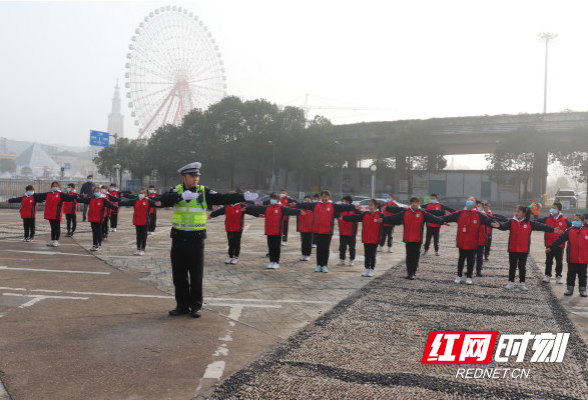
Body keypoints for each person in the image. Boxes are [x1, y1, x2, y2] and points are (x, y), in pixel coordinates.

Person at [158, 162, 258, 318]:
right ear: (184, 177)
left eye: (197, 176)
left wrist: (243, 196)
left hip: (196, 238)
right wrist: (181, 196)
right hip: (178, 237)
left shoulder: (204, 191)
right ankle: (182, 305)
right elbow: (162, 200)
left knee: (196, 274)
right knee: (179, 275)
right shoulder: (176, 190)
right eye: (192, 176)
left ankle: (195, 306)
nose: (196, 179)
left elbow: (223, 197)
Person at [491, 205, 560, 290]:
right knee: (512, 266)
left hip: (523, 249)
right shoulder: (512, 222)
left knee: (522, 267)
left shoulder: (529, 223)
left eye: (518, 212)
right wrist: (499, 226)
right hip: (512, 249)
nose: (516, 213)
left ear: (524, 213)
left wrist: (552, 229)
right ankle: (510, 282)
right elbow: (504, 226)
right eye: (515, 211)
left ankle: (522, 283)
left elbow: (541, 226)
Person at [383, 197, 445, 279]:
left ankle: (413, 272)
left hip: (417, 239)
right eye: (413, 202)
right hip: (408, 238)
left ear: (419, 204)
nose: (414, 204)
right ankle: (409, 273)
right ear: (410, 204)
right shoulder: (405, 212)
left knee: (415, 256)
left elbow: (433, 218)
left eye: (416, 202)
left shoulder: (422, 213)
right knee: (409, 256)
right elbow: (393, 217)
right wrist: (383, 219)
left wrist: (443, 221)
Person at [296, 190, 357, 273]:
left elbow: (344, 207)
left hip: (327, 231)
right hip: (317, 231)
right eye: (323, 196)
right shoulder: (316, 205)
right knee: (319, 249)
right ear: (321, 197)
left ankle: (324, 265)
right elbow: (305, 205)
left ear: (329, 198)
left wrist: (353, 207)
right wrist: (296, 204)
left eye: (326, 197)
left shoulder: (332, 206)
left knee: (325, 249)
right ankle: (318, 265)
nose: (324, 198)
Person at [440, 196, 494, 285]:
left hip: (472, 243)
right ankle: (459, 276)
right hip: (462, 242)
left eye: (472, 200)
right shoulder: (460, 213)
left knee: (471, 261)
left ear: (475, 204)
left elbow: (490, 221)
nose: (469, 201)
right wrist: (440, 220)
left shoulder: (479, 215)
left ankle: (469, 276)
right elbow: (448, 218)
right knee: (461, 260)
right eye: (468, 200)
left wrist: (500, 224)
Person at [246, 193, 301, 269]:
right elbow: (257, 208)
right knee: (271, 247)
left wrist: (300, 211)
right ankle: (271, 261)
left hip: (277, 231)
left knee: (276, 247)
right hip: (269, 230)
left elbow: (291, 211)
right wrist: (247, 207)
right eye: (271, 199)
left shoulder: (281, 208)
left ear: (278, 200)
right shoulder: (267, 208)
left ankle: (276, 262)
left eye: (274, 199)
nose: (272, 200)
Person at [547, 214, 588, 297]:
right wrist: (551, 247)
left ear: (583, 222)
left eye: (578, 220)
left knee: (583, 275)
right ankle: (570, 289)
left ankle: (582, 290)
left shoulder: (586, 231)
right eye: (574, 220)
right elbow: (560, 239)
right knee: (571, 274)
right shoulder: (570, 231)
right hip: (572, 258)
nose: (575, 222)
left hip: (584, 259)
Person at [342, 199, 385, 277]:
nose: (370, 207)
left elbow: (390, 220)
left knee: (372, 255)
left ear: (376, 206)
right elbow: (355, 217)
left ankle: (371, 269)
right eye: (369, 205)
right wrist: (345, 217)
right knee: (366, 255)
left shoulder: (381, 215)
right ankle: (366, 269)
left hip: (374, 239)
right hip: (366, 239)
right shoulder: (365, 214)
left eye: (371, 205)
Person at [209, 190, 249, 264]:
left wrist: (258, 213)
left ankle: (235, 257)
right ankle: (230, 256)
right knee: (230, 243)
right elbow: (219, 212)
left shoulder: (242, 205)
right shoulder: (227, 206)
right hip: (229, 227)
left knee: (236, 243)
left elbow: (251, 209)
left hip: (238, 228)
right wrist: (211, 215)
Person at [34, 181, 78, 247]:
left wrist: (79, 196)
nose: (54, 187)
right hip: (50, 214)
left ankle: (56, 240)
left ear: (58, 187)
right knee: (52, 227)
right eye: (53, 186)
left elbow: (70, 197)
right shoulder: (49, 194)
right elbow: (38, 195)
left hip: (57, 214)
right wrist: (32, 194)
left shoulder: (61, 194)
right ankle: (52, 240)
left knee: (57, 227)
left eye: (56, 186)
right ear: (51, 187)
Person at [536, 202, 571, 284]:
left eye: (554, 208)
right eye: (552, 207)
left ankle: (558, 276)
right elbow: (535, 222)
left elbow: (572, 228)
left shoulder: (565, 220)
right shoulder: (547, 219)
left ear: (559, 209)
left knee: (559, 261)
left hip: (559, 245)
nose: (552, 209)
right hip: (549, 244)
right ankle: (547, 275)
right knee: (548, 261)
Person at [119, 189, 161, 255]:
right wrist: (118, 203)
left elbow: (156, 204)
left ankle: (142, 249)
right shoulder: (135, 201)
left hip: (145, 221)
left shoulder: (148, 201)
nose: (141, 194)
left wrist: (160, 204)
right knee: (138, 235)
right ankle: (138, 248)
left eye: (143, 193)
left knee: (144, 236)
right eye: (140, 193)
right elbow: (127, 202)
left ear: (146, 194)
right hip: (137, 221)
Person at [76, 186, 119, 251]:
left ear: (100, 192)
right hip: (92, 218)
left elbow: (110, 204)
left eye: (98, 191)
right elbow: (83, 200)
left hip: (99, 218)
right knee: (94, 232)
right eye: (95, 191)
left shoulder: (103, 199)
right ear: (93, 192)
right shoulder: (91, 199)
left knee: (98, 232)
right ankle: (94, 244)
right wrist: (76, 199)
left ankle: (98, 244)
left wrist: (116, 207)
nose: (96, 193)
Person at [337, 195, 358, 266]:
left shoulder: (354, 209)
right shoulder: (341, 209)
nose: (342, 203)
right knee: (342, 247)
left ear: (348, 202)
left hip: (351, 232)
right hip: (342, 232)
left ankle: (351, 260)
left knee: (352, 247)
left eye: (343, 201)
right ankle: (342, 260)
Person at [296, 195, 314, 261]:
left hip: (310, 228)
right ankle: (303, 254)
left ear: (311, 201)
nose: (306, 202)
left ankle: (308, 255)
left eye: (308, 201)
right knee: (303, 241)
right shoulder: (300, 208)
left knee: (309, 242)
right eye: (305, 200)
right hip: (302, 227)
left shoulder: (312, 208)